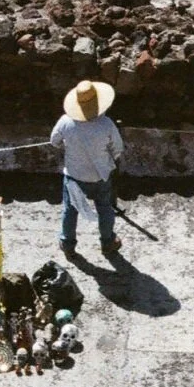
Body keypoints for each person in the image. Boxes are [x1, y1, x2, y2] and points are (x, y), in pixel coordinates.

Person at [51, 79, 124, 259]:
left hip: (75, 175)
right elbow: (118, 149)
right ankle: (107, 242)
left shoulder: (66, 122)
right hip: (100, 175)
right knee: (105, 208)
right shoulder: (106, 124)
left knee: (70, 210)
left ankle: (68, 244)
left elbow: (54, 141)